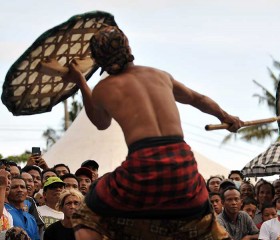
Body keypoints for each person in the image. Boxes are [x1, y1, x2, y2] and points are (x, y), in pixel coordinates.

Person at [66, 25, 242, 240]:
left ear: (99, 60)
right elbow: (198, 99)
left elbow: (101, 123)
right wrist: (226, 117)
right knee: (203, 216)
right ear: (128, 47)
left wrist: (81, 82)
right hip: (184, 168)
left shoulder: (105, 87)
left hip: (143, 168)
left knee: (86, 214)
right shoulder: (160, 76)